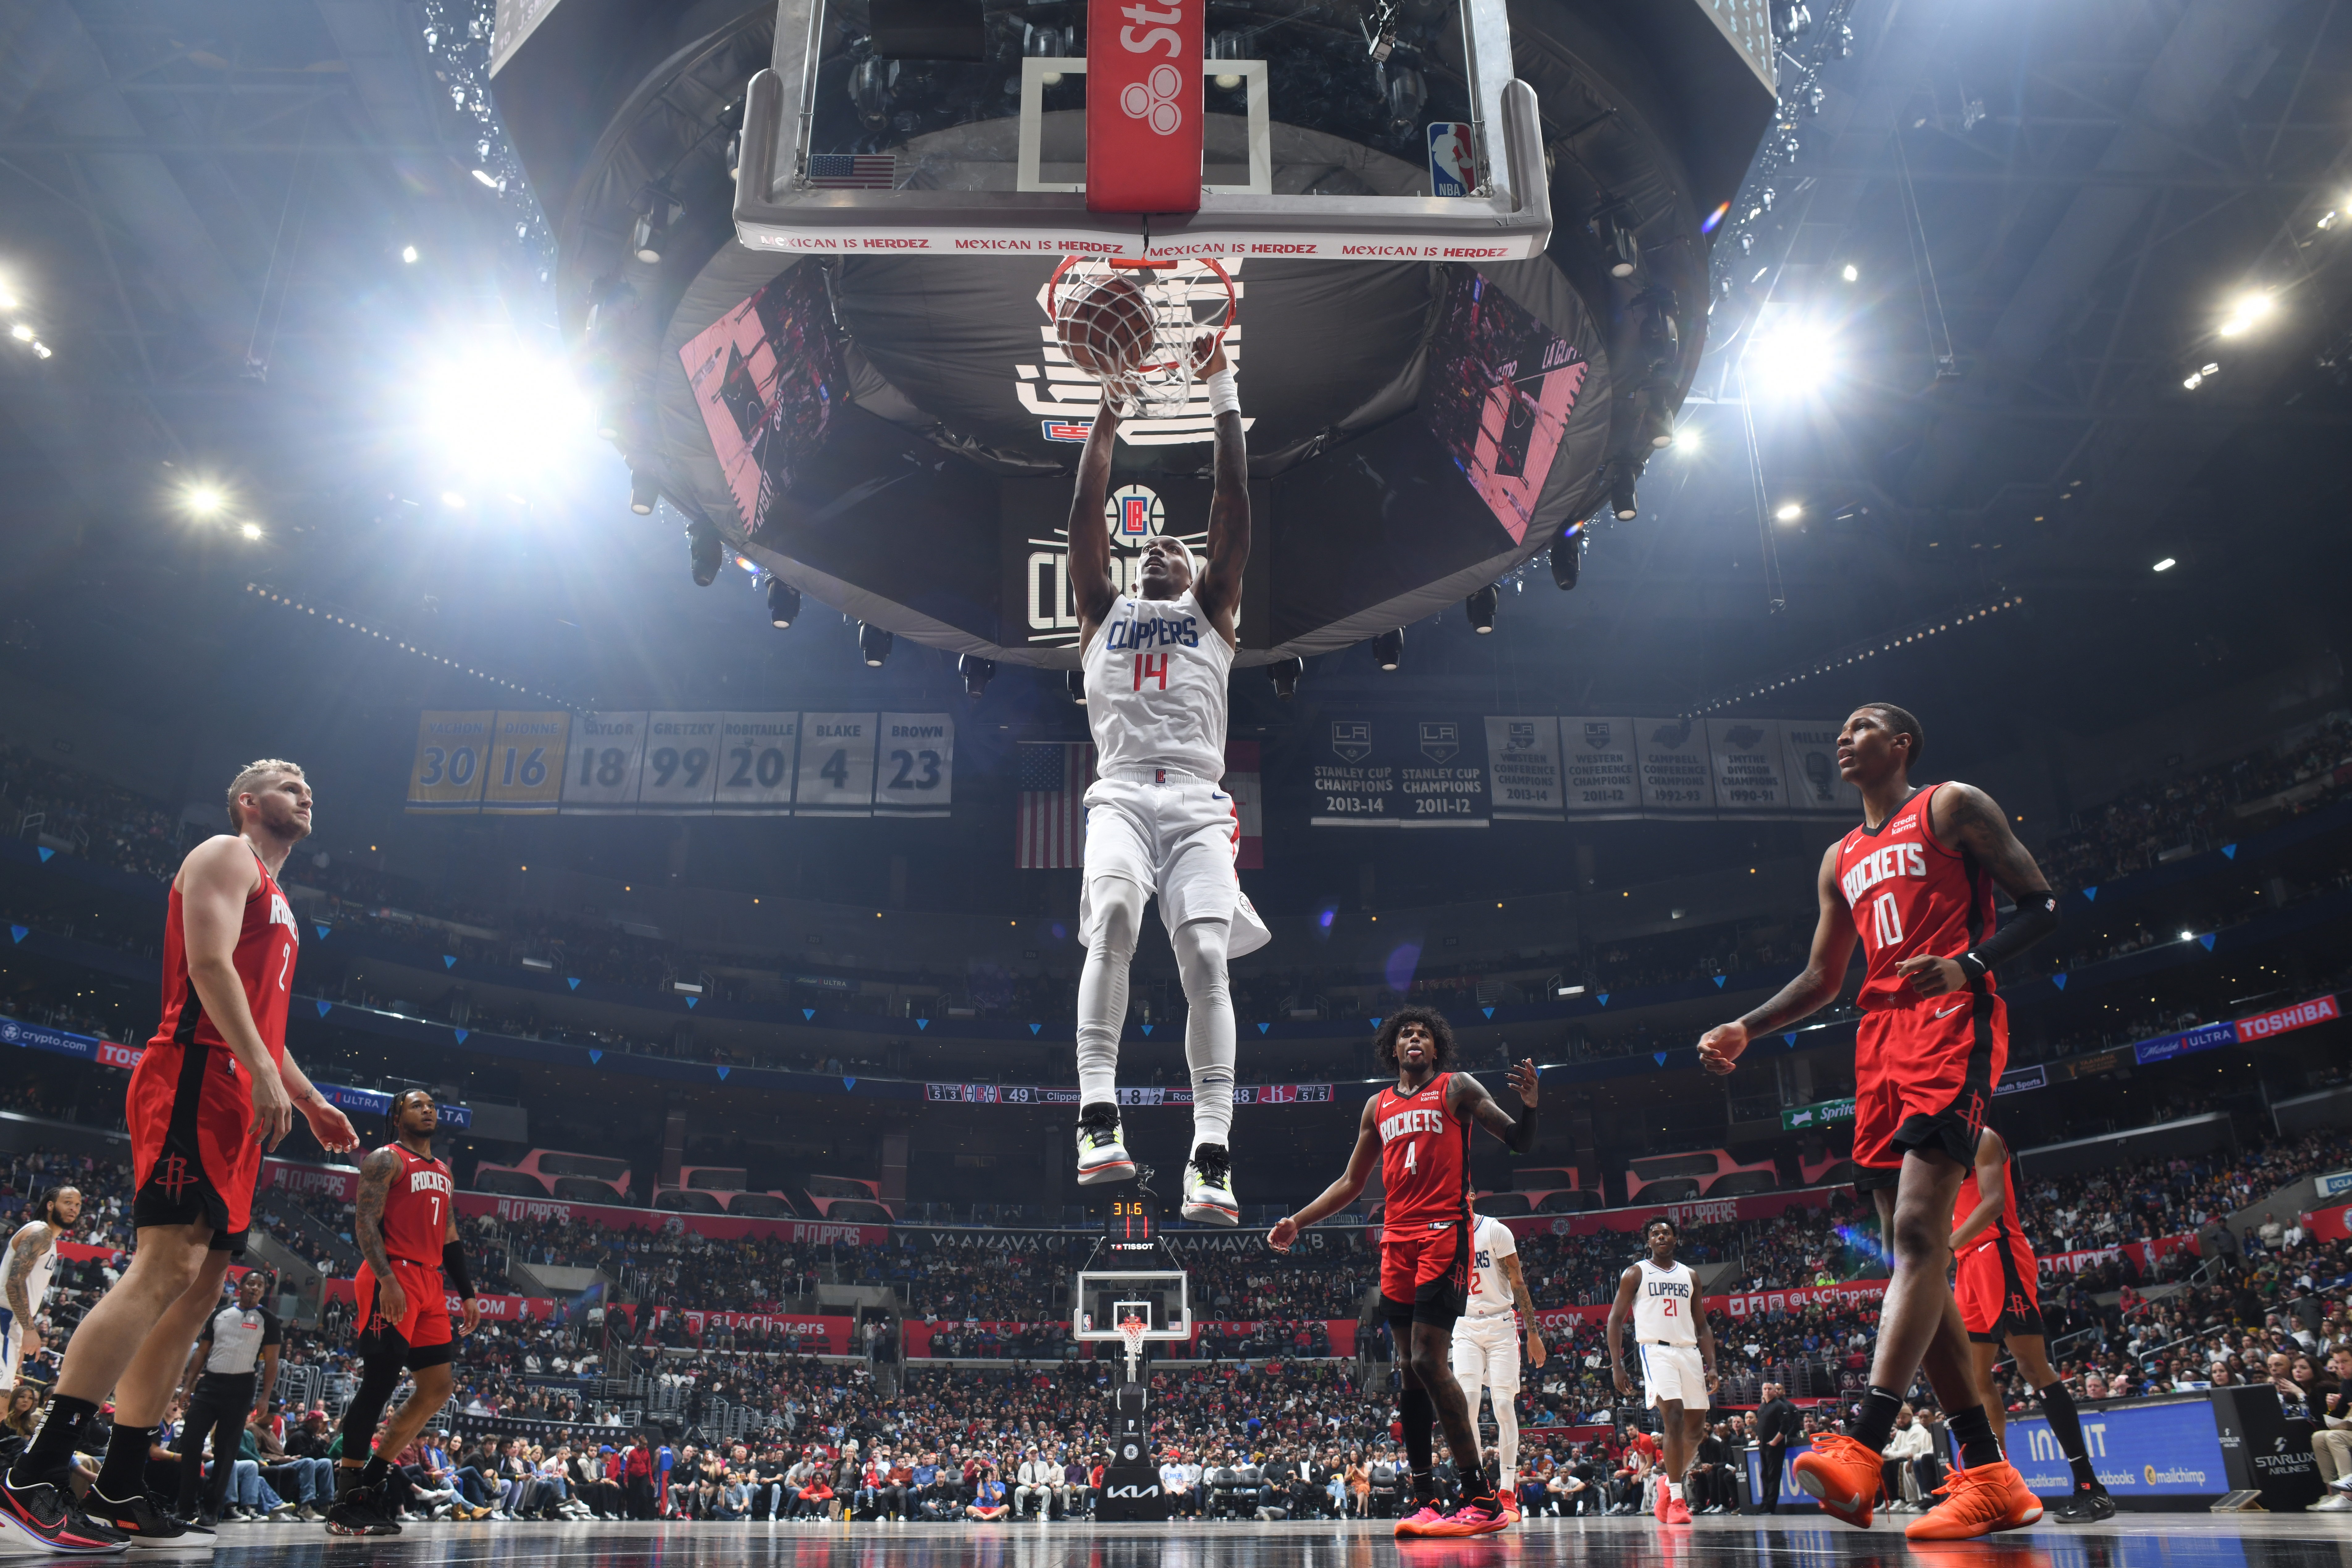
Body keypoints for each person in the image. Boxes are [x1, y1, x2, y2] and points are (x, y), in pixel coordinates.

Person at [1696, 704, 2055, 1542]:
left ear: (1902, 745)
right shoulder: (1839, 856)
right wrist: (1749, 1025)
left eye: (1862, 726)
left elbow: (2043, 904)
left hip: (1950, 1019)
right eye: (1840, 729)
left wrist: (1968, 963)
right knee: (1909, 1262)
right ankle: (1990, 1473)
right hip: (1877, 1040)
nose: (1843, 737)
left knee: (1924, 1237)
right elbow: (1824, 976)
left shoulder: (1952, 805)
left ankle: (1864, 1436)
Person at [3, 761, 360, 1550]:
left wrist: (307, 1096)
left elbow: (264, 1017)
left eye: (309, 784)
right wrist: (262, 1071)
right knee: (163, 1267)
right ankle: (37, 1468)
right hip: (197, 1071)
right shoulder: (227, 854)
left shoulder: (282, 900)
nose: (305, 789)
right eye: (285, 780)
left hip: (239, 1087)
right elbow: (208, 968)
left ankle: (124, 1481)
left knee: (199, 1292)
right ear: (248, 800)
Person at [1063, 337, 1269, 1223]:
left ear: (1199, 577)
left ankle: (1210, 1153)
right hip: (1118, 790)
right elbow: (1085, 512)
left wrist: (1222, 389)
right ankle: (1097, 1114)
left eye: (1176, 554)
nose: (1161, 556)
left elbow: (1232, 501)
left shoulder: (1212, 611)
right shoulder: (1103, 611)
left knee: (1207, 956)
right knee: (1111, 917)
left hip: (1193, 800)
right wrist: (1108, 411)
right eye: (1151, 553)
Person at [1268, 1008, 1539, 1537]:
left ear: (1436, 1048)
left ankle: (1481, 1498)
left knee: (1426, 1358)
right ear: (1392, 1050)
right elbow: (1351, 1181)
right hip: (1396, 1238)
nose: (1414, 1038)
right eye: (1404, 1034)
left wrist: (1529, 1108)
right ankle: (1425, 1501)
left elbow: (1519, 1141)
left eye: (1423, 1034)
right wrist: (1297, 1221)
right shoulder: (1378, 1105)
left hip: (1444, 1232)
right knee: (1410, 1372)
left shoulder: (1456, 1086)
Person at [325, 1090, 482, 1536]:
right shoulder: (384, 1158)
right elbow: (365, 1222)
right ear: (397, 1116)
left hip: (431, 1282)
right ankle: (345, 1499)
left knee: (437, 1385)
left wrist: (467, 1292)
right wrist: (387, 1278)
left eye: (432, 1104)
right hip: (390, 1274)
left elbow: (450, 1236)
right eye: (417, 1104)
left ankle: (372, 1480)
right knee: (379, 1382)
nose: (428, 1109)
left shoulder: (443, 1171)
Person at [1951, 1123, 2114, 1522]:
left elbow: (1992, 1202)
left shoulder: (1982, 1137)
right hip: (1968, 1263)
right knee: (1974, 1379)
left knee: (2032, 1367)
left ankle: (2091, 1488)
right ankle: (2000, 1488)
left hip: (1997, 1251)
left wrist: (1946, 1244)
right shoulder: (1941, 1145)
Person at [1607, 1218, 1716, 1527]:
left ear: (1675, 1239)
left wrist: (1713, 1365)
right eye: (1654, 1232)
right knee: (1674, 1416)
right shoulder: (1636, 1273)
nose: (1660, 1236)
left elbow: (1702, 1324)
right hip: (1655, 1350)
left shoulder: (1689, 1275)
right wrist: (1617, 1364)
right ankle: (1678, 1499)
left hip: (1689, 1350)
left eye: (1666, 1231)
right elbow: (1615, 1319)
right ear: (1648, 1241)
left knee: (1696, 1430)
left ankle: (1667, 1484)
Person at [1451, 1204, 1547, 1520]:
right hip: (1464, 1325)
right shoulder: (1445, 1234)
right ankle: (1477, 1488)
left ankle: (1507, 1489)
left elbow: (1518, 1282)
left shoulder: (1495, 1230)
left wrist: (1532, 1332)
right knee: (1467, 1408)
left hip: (1501, 1323)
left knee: (1503, 1407)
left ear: (1472, 1196)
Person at [172, 1269, 283, 1526]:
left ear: (263, 1291)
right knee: (190, 1442)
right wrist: (188, 1385)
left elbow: (272, 1362)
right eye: (251, 1283)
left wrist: (265, 1396)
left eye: (260, 1286)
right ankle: (186, 1506)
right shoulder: (221, 1314)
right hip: (210, 1383)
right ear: (241, 1286)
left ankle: (211, 1509)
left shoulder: (269, 1320)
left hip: (242, 1387)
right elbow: (202, 1351)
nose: (255, 1288)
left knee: (226, 1449)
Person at [0, 1187, 78, 1395]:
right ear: (51, 1205)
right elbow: (14, 1282)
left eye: (78, 1205)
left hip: (11, 1324)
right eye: (68, 1202)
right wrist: (28, 1329)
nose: (74, 1209)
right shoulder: (39, 1233)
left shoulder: (49, 1240)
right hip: (5, 1319)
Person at [1754, 1383, 1797, 1513]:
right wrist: (1757, 1438)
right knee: (1765, 1475)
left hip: (1775, 1447)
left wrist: (1775, 1441)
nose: (1767, 1391)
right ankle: (1764, 1504)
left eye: (1770, 1389)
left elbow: (1785, 1426)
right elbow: (1760, 1425)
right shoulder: (1762, 1407)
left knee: (1773, 1475)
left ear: (1775, 1392)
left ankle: (1770, 1506)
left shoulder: (1780, 1406)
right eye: (1765, 1389)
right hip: (1763, 1446)